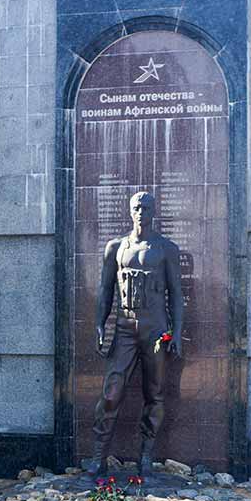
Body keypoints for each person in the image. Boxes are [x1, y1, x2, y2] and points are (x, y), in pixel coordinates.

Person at [89, 191, 184, 478]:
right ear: (129, 211)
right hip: (124, 329)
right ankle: (98, 456)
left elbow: (176, 295)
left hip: (156, 331)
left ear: (154, 211)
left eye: (146, 207)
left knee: (154, 394)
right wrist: (99, 323)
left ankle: (146, 455)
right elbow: (105, 290)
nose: (141, 211)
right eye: (136, 207)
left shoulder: (166, 249)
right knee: (111, 393)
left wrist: (176, 332)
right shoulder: (115, 247)